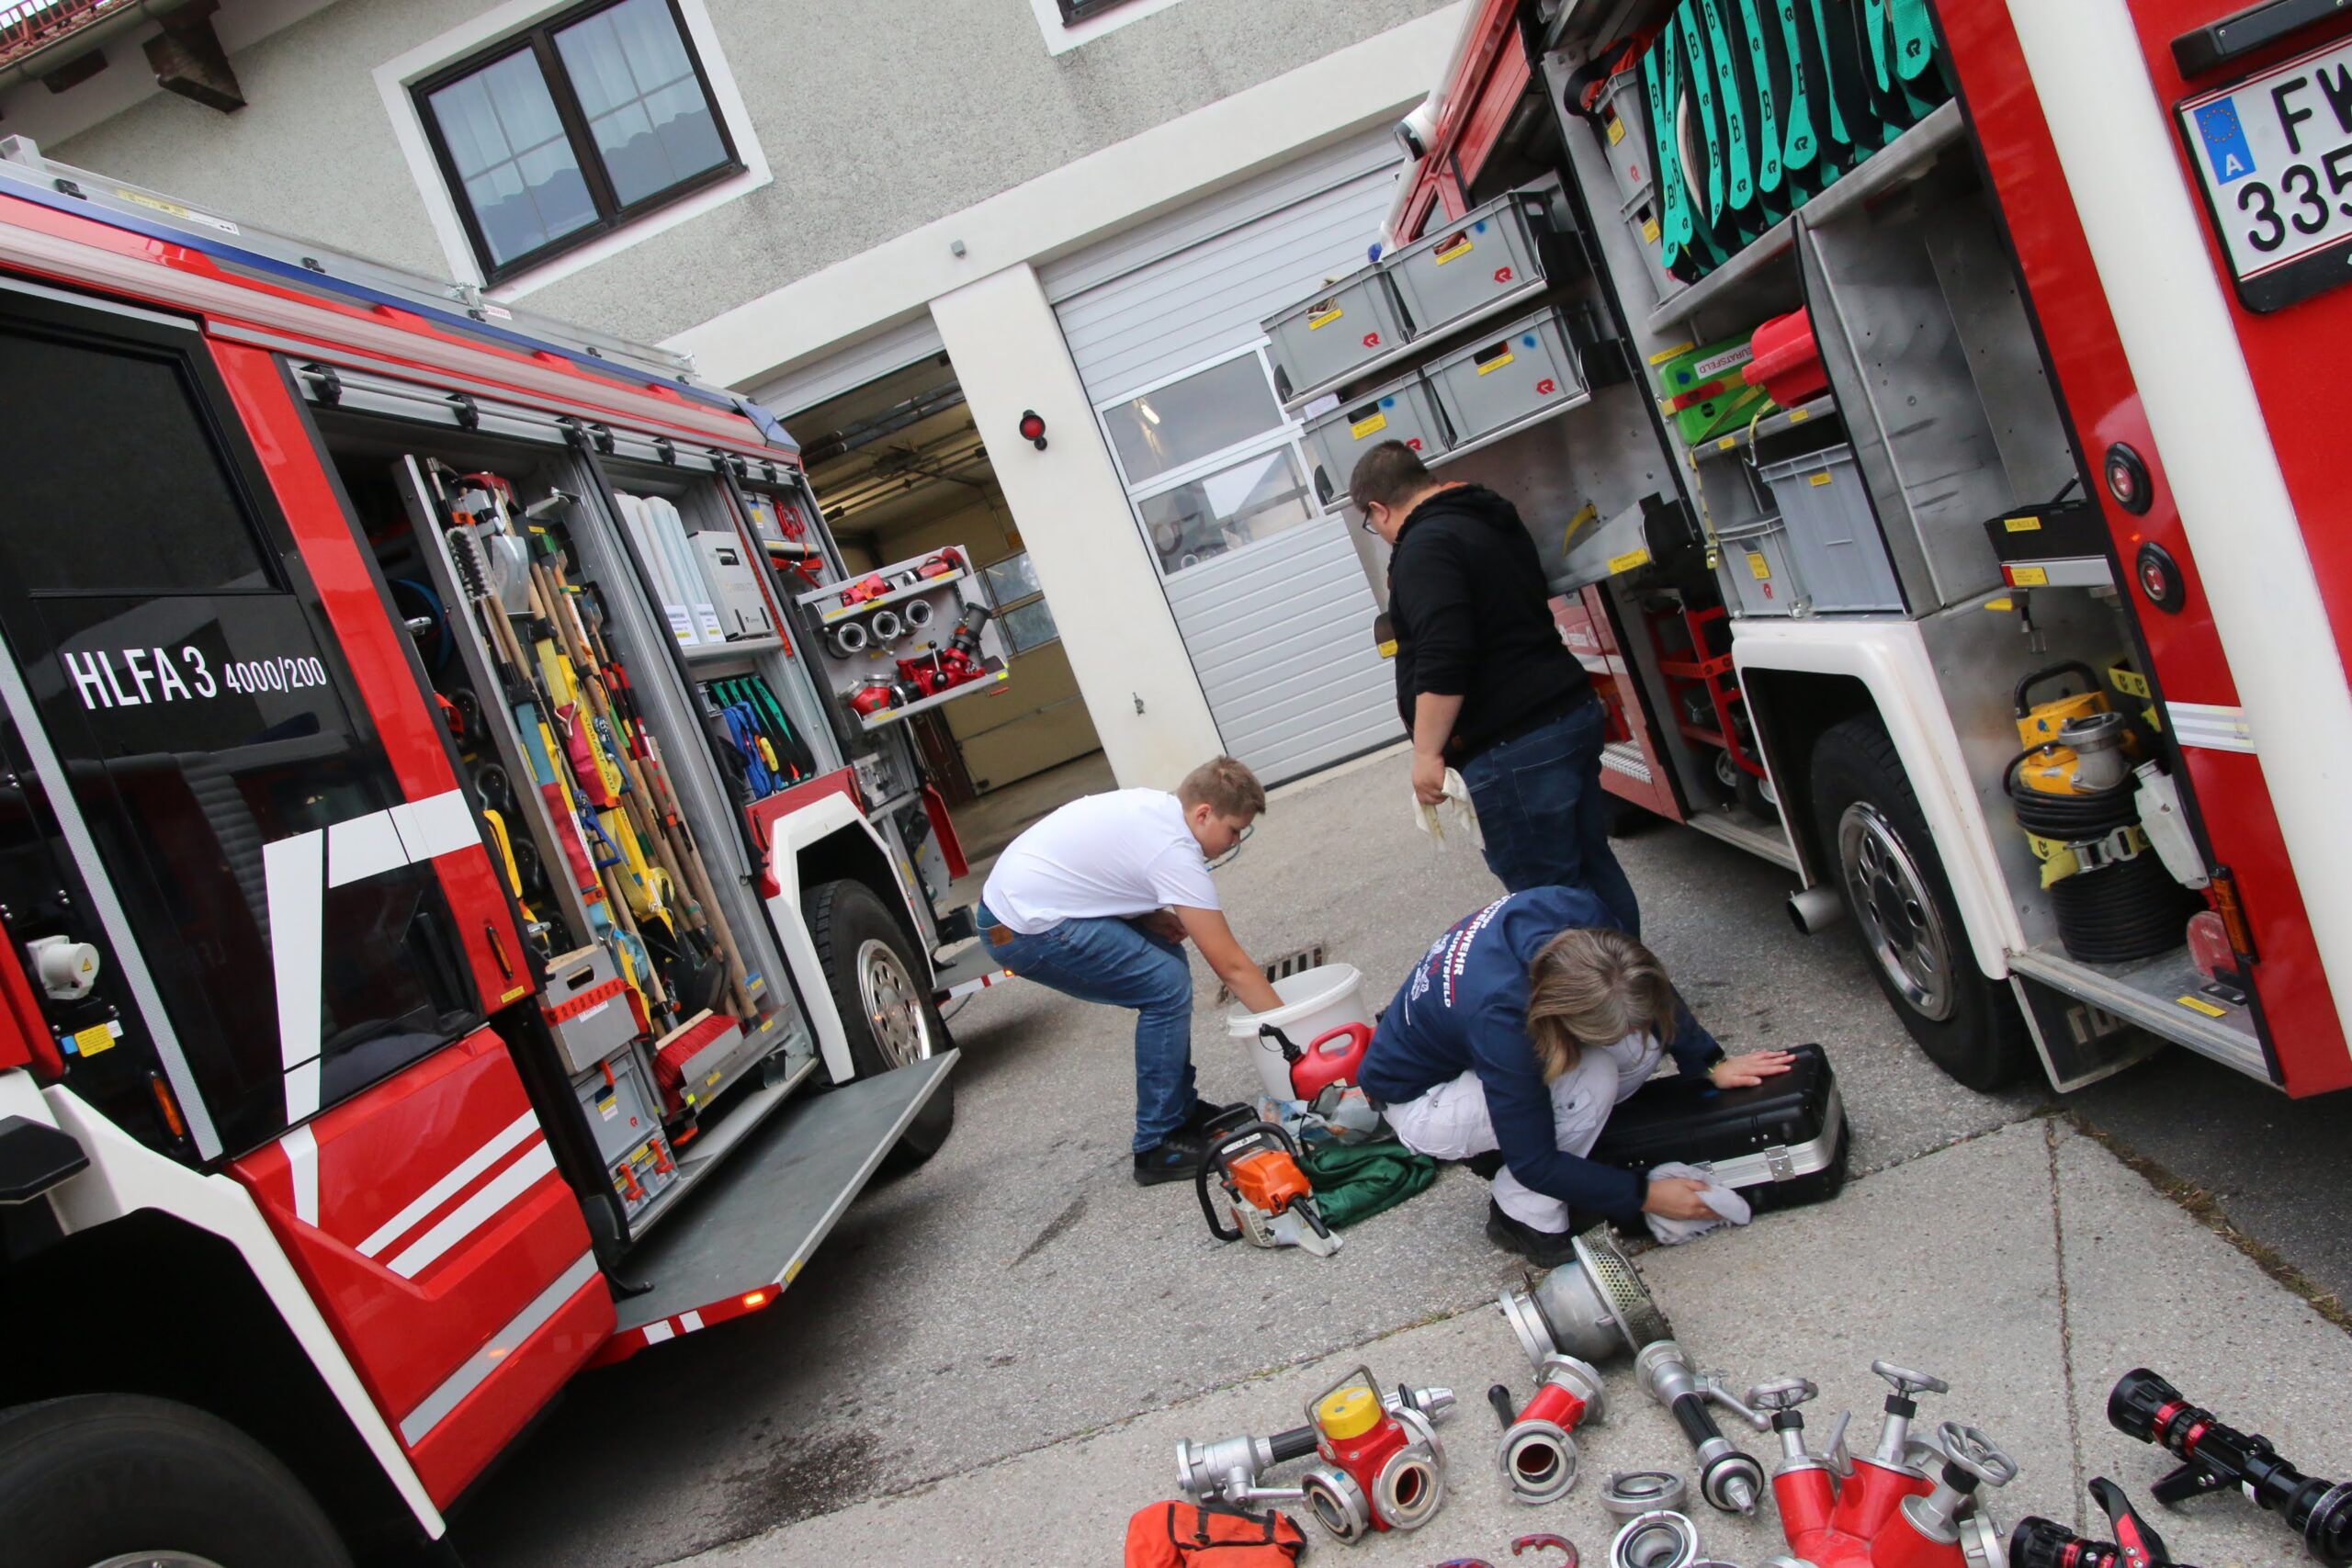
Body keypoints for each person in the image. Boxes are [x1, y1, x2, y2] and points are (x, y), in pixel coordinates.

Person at [1360, 886, 1794, 1264]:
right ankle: (1520, 1214)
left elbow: (1642, 985)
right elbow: (1536, 1164)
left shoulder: (1580, 914)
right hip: (1423, 1101)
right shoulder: (1503, 1021)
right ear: (1560, 1013)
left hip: (1477, 1047)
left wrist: (1709, 1062)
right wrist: (1646, 1195)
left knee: (1639, 1044)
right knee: (1595, 1076)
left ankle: (1562, 1141)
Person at [1351, 439, 1639, 931]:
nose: (1377, 532)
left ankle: (1605, 1004)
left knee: (1548, 901)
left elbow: (1445, 657)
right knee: (1591, 866)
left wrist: (1426, 755)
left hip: (1515, 746)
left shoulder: (1424, 548)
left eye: (1371, 522)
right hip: (1565, 715)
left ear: (1379, 508)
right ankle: (1639, 992)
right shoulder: (1486, 519)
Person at [977, 756, 1284, 1185]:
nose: (1236, 841)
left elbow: (1093, 870)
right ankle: (1158, 1143)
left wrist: (1141, 916)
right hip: (1019, 927)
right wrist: (1294, 1039)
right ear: (1203, 814)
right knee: (1165, 984)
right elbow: (1231, 966)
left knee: (1166, 960)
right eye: (1234, 830)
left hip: (1024, 901)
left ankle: (1178, 1109)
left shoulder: (1160, 811)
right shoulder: (1173, 852)